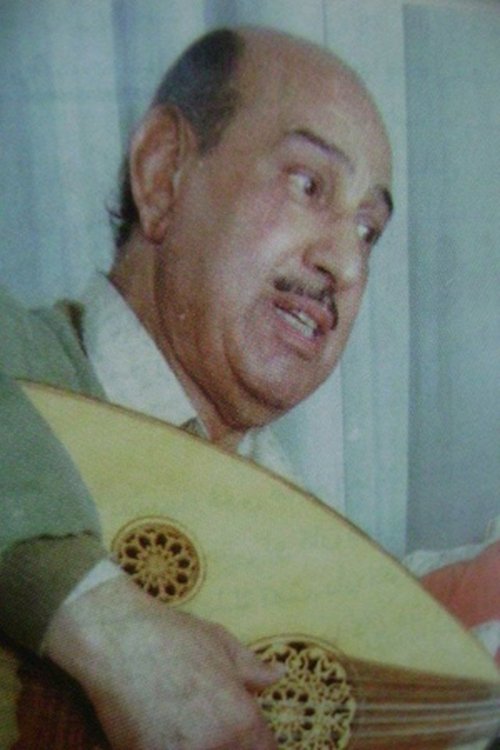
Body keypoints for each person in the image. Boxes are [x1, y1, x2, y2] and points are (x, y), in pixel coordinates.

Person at [0, 25, 393, 749]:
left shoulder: (301, 537)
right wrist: (106, 623)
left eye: (369, 230)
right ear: (163, 173)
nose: (346, 264)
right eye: (308, 185)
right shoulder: (23, 363)